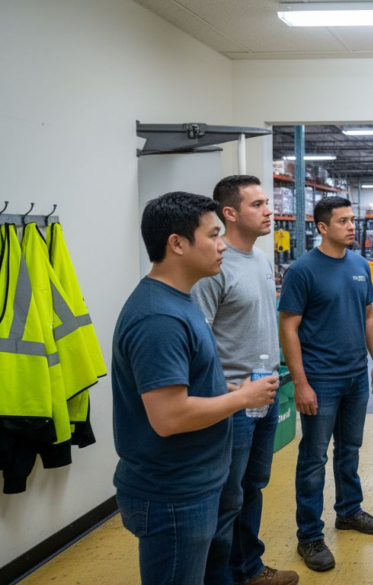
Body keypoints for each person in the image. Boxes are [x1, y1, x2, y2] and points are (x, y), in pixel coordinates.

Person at [111, 192, 278, 584]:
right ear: (178, 244)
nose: (222, 245)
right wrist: (241, 398)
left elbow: (184, 385)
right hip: (171, 494)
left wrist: (225, 390)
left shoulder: (179, 301)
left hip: (192, 483)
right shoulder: (159, 317)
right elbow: (168, 418)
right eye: (214, 235)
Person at [195, 176, 298, 585]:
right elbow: (198, 342)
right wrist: (227, 392)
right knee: (226, 497)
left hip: (265, 392)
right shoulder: (214, 268)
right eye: (257, 204)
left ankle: (248, 569)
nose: (268, 210)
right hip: (234, 401)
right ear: (230, 213)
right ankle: (218, 578)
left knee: (253, 486)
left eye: (267, 202)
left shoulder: (259, 257)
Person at [279, 196, 373, 572]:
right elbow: (288, 328)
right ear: (323, 228)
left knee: (350, 449)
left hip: (356, 375)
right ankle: (309, 536)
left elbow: (369, 316)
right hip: (320, 379)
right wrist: (301, 384)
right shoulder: (303, 270)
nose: (352, 226)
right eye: (343, 221)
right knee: (313, 459)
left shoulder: (360, 264)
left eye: (352, 219)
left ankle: (349, 511)